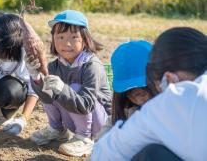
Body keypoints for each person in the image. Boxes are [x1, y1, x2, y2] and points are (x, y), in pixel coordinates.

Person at [91, 27, 207, 161]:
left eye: (144, 89)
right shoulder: (129, 112)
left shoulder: (173, 101)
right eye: (131, 94)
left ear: (168, 78)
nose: (139, 97)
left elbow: (105, 153)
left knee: (152, 154)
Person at [26, 10, 112, 157]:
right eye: (60, 37)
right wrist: (36, 78)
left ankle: (84, 139)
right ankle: (57, 130)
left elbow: (87, 105)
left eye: (74, 37)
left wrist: (62, 88)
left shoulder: (91, 66)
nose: (67, 43)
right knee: (50, 86)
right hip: (74, 120)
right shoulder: (55, 66)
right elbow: (46, 98)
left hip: (100, 124)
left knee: (73, 88)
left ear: (85, 39)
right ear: (53, 39)